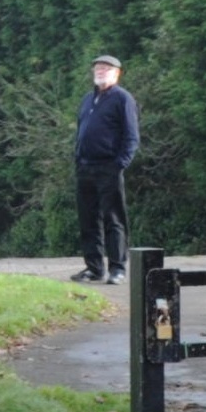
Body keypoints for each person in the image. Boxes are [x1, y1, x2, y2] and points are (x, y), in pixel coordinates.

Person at [71, 54, 138, 283]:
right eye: (98, 68)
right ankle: (94, 268)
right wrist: (78, 158)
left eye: (106, 68)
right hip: (85, 168)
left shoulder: (123, 99)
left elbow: (131, 136)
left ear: (117, 73)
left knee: (113, 219)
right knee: (88, 220)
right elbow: (81, 131)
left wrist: (120, 163)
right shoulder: (88, 99)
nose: (100, 71)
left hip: (109, 166)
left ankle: (117, 268)